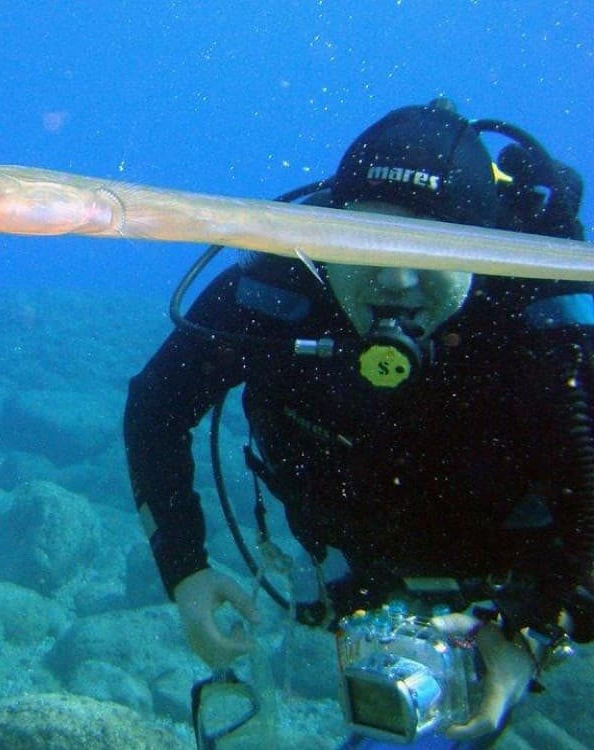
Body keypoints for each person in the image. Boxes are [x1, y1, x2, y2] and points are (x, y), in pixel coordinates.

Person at [124, 99, 593, 748]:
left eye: (433, 250)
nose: (394, 281)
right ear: (327, 235)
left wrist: (535, 630)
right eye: (365, 243)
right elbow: (156, 406)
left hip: (512, 580)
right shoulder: (279, 292)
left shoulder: (548, 329)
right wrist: (184, 569)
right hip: (351, 574)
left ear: (487, 256)